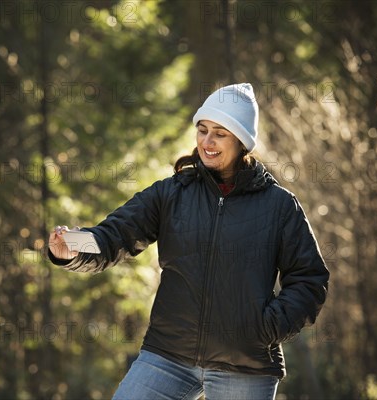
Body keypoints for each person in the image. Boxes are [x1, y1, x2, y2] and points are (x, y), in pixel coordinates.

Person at [48, 83, 330, 400]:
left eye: (220, 134)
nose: (207, 142)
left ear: (241, 141)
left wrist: (265, 329)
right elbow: (116, 235)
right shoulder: (172, 193)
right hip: (168, 354)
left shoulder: (278, 205)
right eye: (202, 129)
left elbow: (309, 278)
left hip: (244, 363)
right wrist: (74, 246)